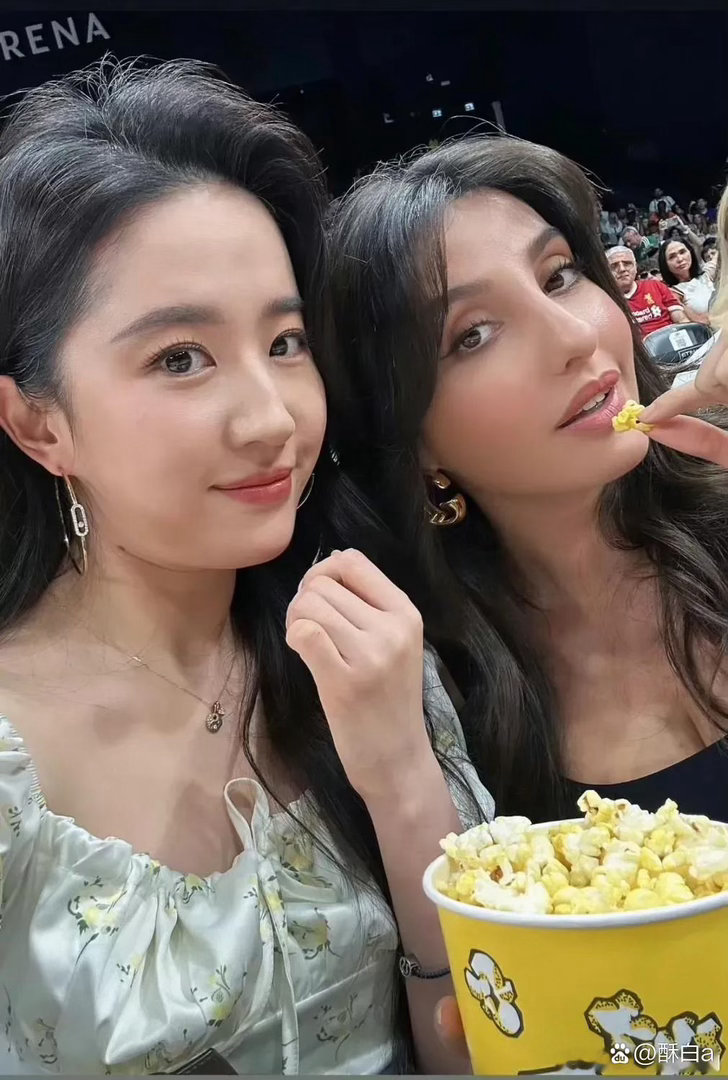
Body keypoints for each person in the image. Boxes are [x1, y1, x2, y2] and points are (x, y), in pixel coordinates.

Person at [0, 60, 493, 1075]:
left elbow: (492, 1041)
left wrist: (402, 775)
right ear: (40, 424)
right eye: (180, 358)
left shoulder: (365, 644)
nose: (272, 419)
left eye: (285, 341)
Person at [325, 134, 728, 832]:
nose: (573, 336)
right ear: (411, 442)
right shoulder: (431, 695)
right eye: (473, 334)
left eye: (559, 276)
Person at [606, 244, 689, 336]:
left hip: (670, 339)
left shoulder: (656, 286)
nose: (622, 269)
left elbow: (681, 319)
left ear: (635, 267)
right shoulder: (606, 300)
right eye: (614, 266)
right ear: (607, 271)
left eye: (627, 264)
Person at [657, 237, 715, 323]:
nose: (680, 259)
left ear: (690, 252)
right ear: (665, 264)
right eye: (672, 257)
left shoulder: (707, 274)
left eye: (682, 252)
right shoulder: (672, 294)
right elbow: (698, 321)